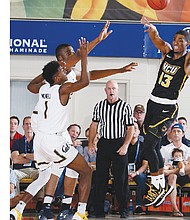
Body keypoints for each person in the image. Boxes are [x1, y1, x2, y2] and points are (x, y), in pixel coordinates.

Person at [10, 38, 91, 220]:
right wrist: (84, 57)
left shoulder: (44, 87)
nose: (64, 70)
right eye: (61, 70)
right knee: (86, 171)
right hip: (54, 141)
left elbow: (31, 85)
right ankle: (79, 213)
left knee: (43, 177)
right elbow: (85, 81)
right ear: (57, 77)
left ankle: (18, 209)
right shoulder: (62, 88)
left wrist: (46, 73)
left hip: (40, 141)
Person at [140, 17, 190, 207]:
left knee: (149, 145)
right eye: (175, 39)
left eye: (181, 40)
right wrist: (150, 27)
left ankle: (158, 184)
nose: (176, 43)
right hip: (152, 102)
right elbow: (156, 38)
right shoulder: (167, 52)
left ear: (188, 44)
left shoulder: (186, 61)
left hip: (168, 108)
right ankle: (159, 183)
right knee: (150, 146)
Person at [88, 80, 135, 218]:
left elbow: (130, 127)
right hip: (104, 143)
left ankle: (124, 210)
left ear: (117, 90)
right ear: (105, 90)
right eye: (109, 88)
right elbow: (94, 125)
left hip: (119, 143)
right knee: (100, 178)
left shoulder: (125, 106)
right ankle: (98, 210)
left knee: (120, 179)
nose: (111, 91)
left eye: (113, 88)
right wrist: (91, 143)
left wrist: (126, 145)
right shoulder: (99, 106)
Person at [161, 123, 190, 217]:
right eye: (174, 131)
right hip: (170, 174)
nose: (176, 133)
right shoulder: (165, 149)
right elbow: (161, 167)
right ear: (171, 133)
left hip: (185, 173)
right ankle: (175, 209)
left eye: (178, 131)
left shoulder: (187, 149)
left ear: (182, 134)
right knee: (172, 176)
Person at [11, 116, 43, 200]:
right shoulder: (17, 142)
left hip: (35, 169)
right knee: (11, 174)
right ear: (23, 127)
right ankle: (15, 200)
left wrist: (24, 155)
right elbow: (15, 160)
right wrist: (33, 157)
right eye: (26, 124)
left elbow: (40, 157)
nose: (29, 126)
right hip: (20, 171)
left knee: (43, 174)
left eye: (30, 124)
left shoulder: (39, 141)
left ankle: (39, 201)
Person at [128, 120, 148, 215]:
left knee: (141, 178)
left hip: (138, 172)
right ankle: (123, 205)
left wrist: (135, 173)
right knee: (120, 178)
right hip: (125, 172)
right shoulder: (123, 144)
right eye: (131, 129)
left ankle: (138, 205)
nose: (133, 131)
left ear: (139, 131)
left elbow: (145, 164)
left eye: (135, 129)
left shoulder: (143, 146)